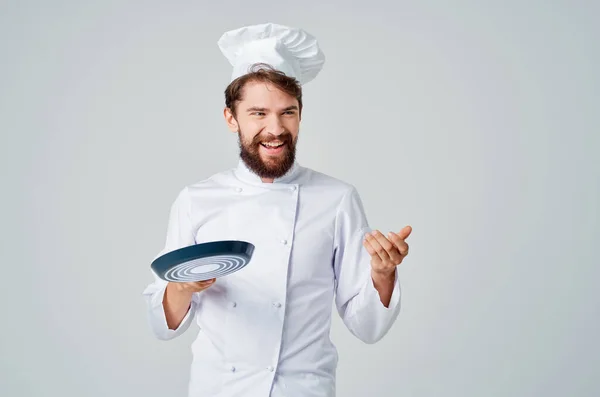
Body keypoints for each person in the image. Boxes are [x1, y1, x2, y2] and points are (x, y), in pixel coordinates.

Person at [142, 22, 412, 397]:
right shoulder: (196, 199)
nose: (276, 128)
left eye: (288, 112)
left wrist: (382, 274)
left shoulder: (337, 199)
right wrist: (181, 288)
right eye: (258, 113)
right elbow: (162, 323)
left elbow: (368, 327)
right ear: (231, 118)